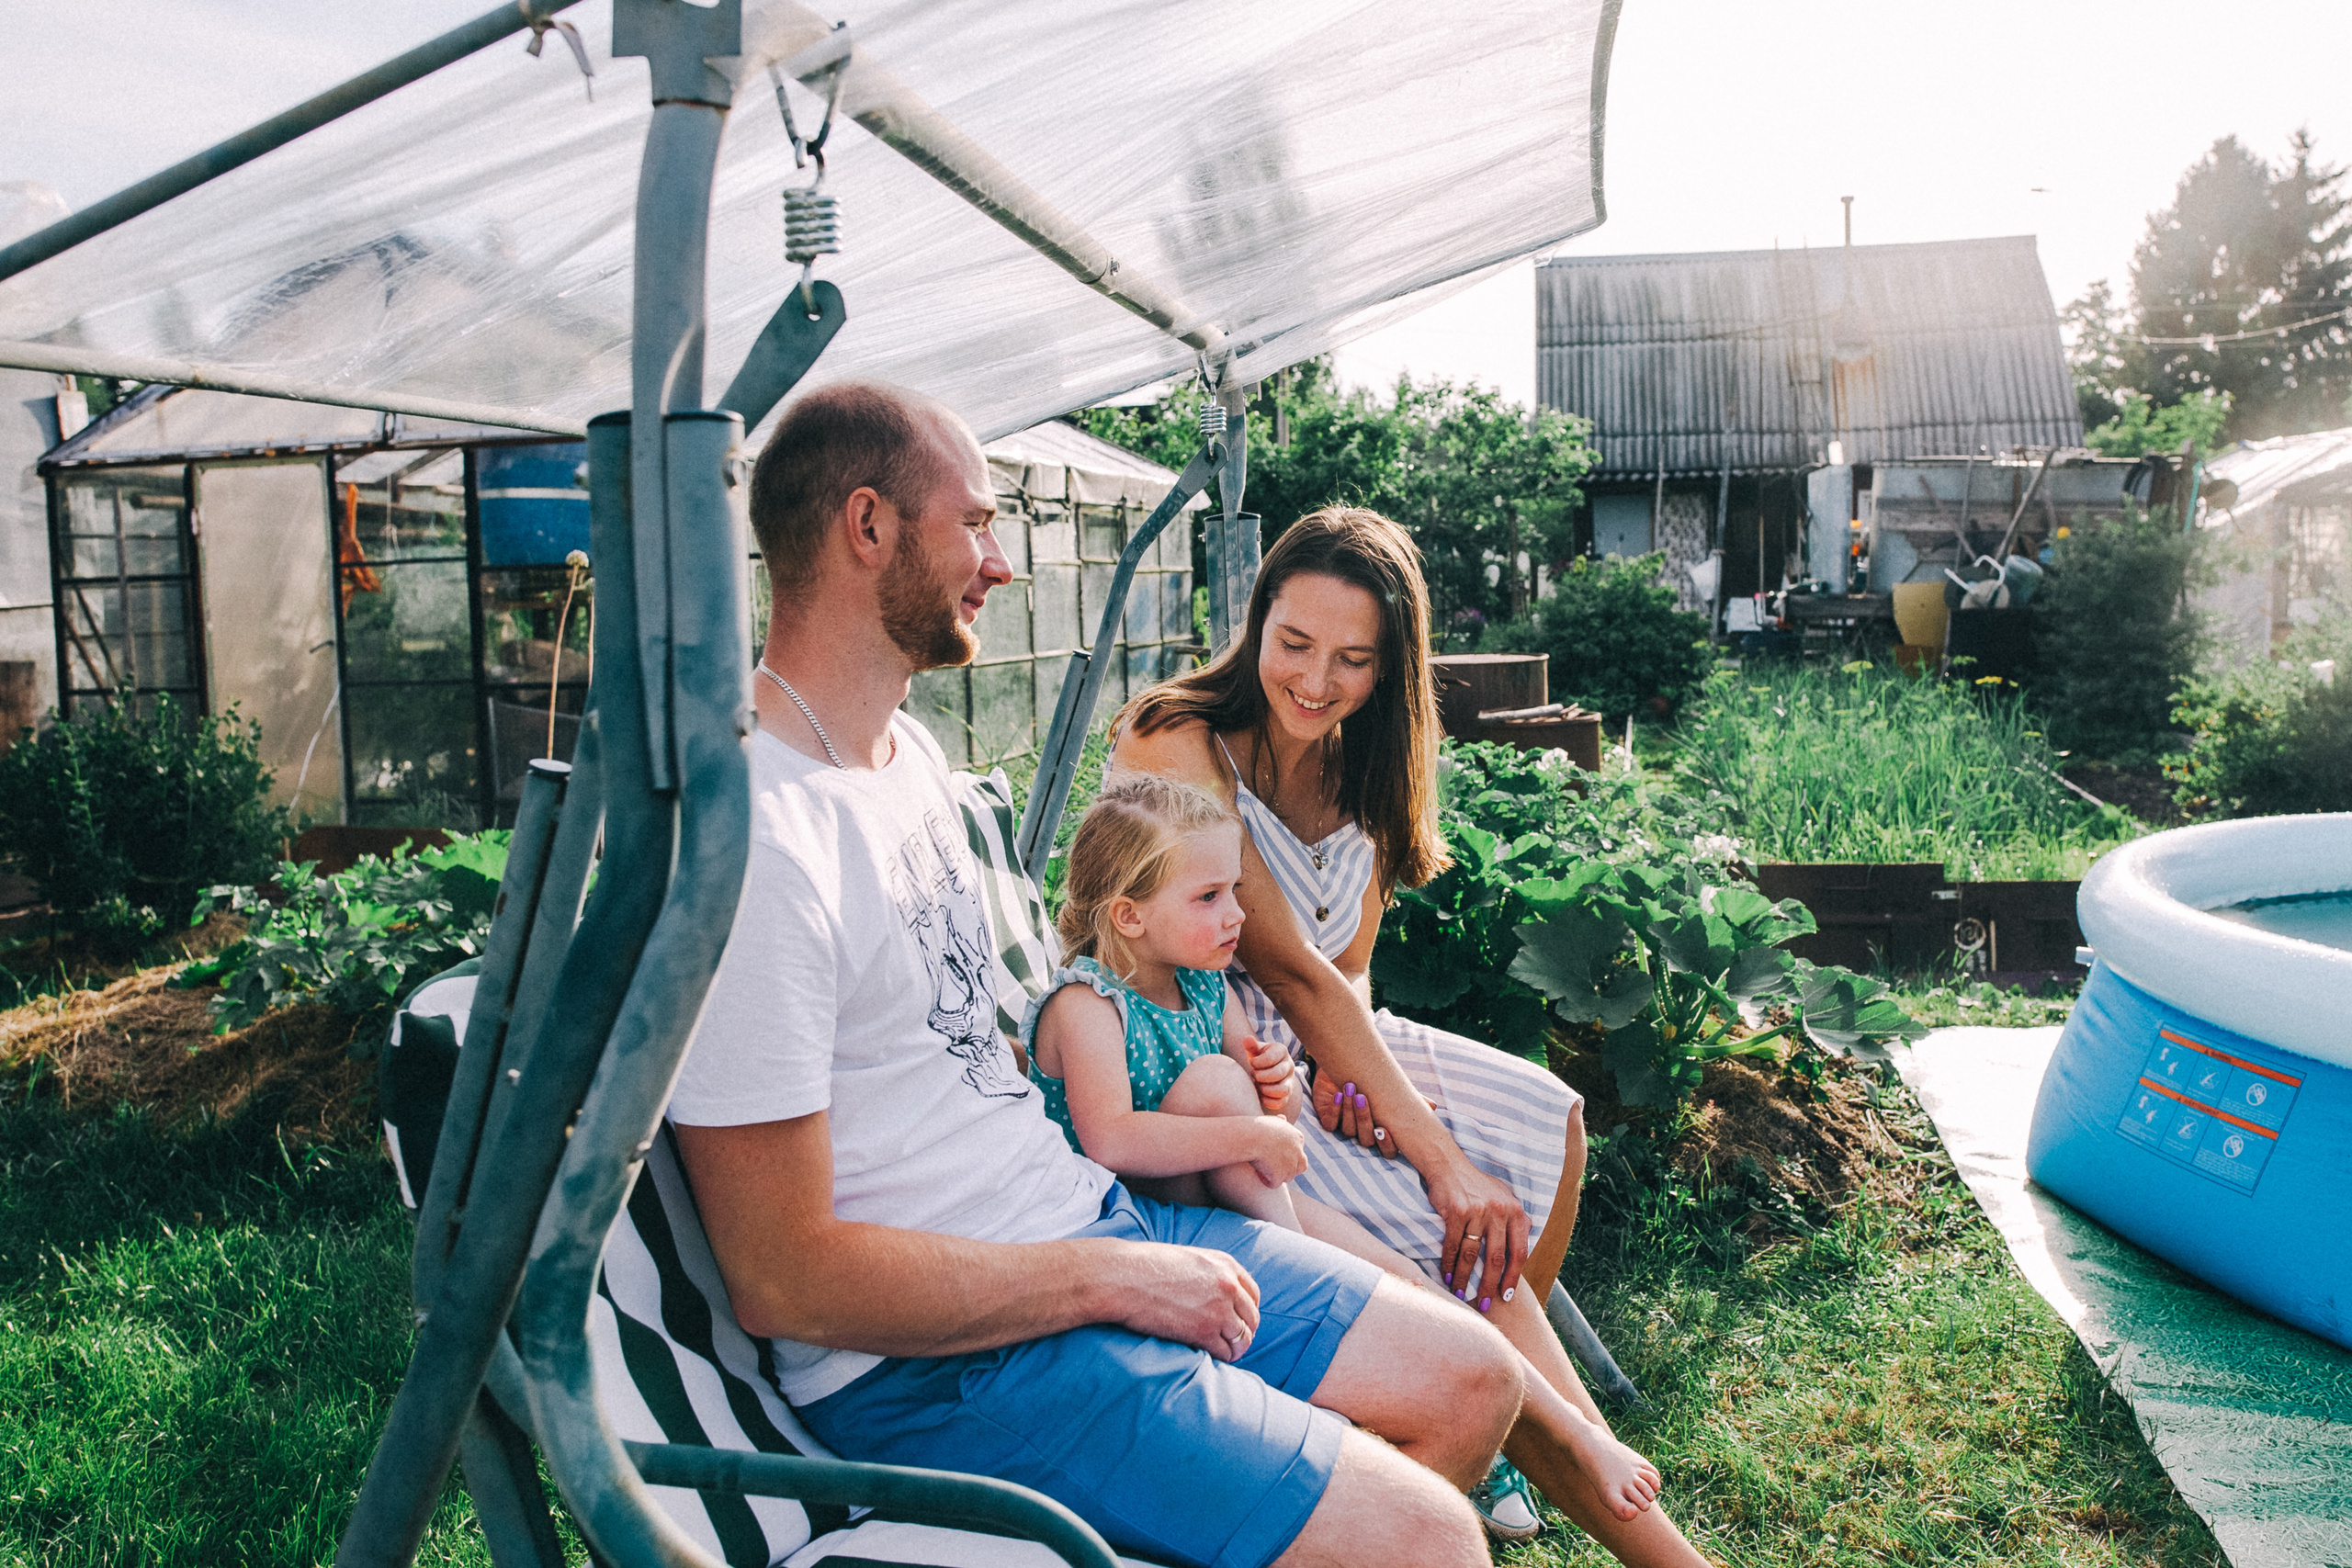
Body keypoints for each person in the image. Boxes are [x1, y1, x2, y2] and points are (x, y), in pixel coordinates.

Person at [665, 381, 1523, 1568]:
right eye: (974, 523)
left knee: (1476, 1380)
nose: (1001, 563)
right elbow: (784, 1278)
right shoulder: (753, 840)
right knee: (1432, 1542)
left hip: (1083, 1218)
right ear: (867, 525)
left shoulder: (904, 759)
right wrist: (1112, 1280)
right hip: (945, 1366)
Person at [1114, 507, 1712, 1563]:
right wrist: (1436, 1156)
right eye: (1294, 642)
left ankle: (1506, 1425)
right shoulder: (1177, 735)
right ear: (1256, 619)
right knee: (1455, 1221)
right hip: (1210, 1053)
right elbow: (1282, 964)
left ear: (1391, 664)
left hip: (1323, 1038)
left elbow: (1346, 967)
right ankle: (1578, 1476)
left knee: (1548, 1117)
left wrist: (1350, 1076)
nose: (1314, 680)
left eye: (1352, 659)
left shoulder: (1372, 760)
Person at [1029, 771, 1667, 1526]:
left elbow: (1276, 1115)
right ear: (1128, 915)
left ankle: (1574, 1430)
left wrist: (1277, 1089)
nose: (1237, 914)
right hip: (1137, 1218)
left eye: (1235, 890)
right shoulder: (1087, 1005)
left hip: (1232, 1200)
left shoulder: (1205, 988)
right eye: (1208, 897)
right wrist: (1250, 1124)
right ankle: (1327, 1301)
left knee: (1405, 1272)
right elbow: (1111, 1138)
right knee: (1214, 1085)